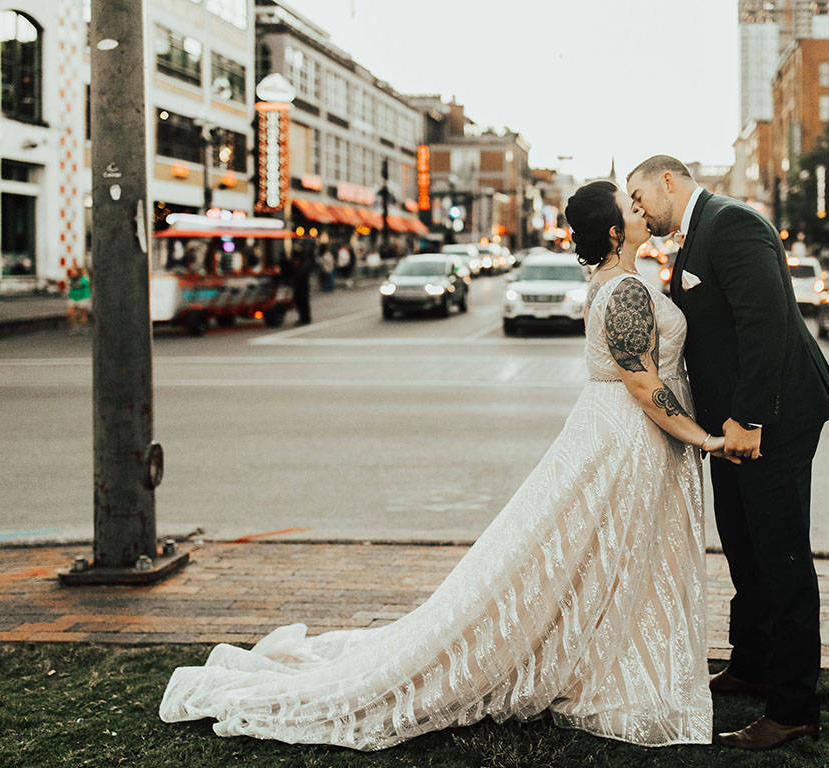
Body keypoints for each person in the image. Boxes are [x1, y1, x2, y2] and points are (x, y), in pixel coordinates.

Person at [160, 179, 738, 750]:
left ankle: (607, 658)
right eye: (628, 206)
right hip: (628, 437)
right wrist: (703, 439)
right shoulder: (628, 291)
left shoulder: (614, 280)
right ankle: (609, 670)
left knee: (606, 559)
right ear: (616, 231)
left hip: (616, 432)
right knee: (608, 556)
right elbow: (641, 382)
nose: (639, 209)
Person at [627, 156, 829, 751]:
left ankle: (793, 706)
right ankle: (752, 663)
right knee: (744, 546)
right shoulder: (699, 233)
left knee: (780, 559)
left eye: (641, 196)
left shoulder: (733, 223)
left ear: (668, 180)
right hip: (732, 427)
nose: (639, 210)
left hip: (771, 418)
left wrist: (747, 418)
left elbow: (765, 323)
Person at [66, 264, 91, 334]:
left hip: (83, 297)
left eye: (74, 271)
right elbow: (68, 285)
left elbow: (76, 284)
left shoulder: (84, 279)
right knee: (70, 312)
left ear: (78, 272)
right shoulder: (70, 278)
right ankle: (74, 327)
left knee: (82, 312)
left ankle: (83, 327)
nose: (72, 272)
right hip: (72, 297)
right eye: (72, 271)